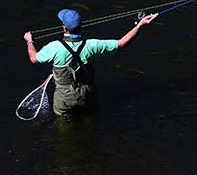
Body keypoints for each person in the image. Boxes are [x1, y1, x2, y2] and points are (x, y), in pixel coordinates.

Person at [23, 8, 158, 116]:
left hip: (64, 100)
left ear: (64, 28)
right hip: (87, 96)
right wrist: (140, 25)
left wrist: (29, 41)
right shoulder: (92, 45)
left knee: (63, 123)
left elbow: (33, 58)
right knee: (90, 118)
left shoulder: (54, 47)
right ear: (80, 26)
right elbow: (122, 43)